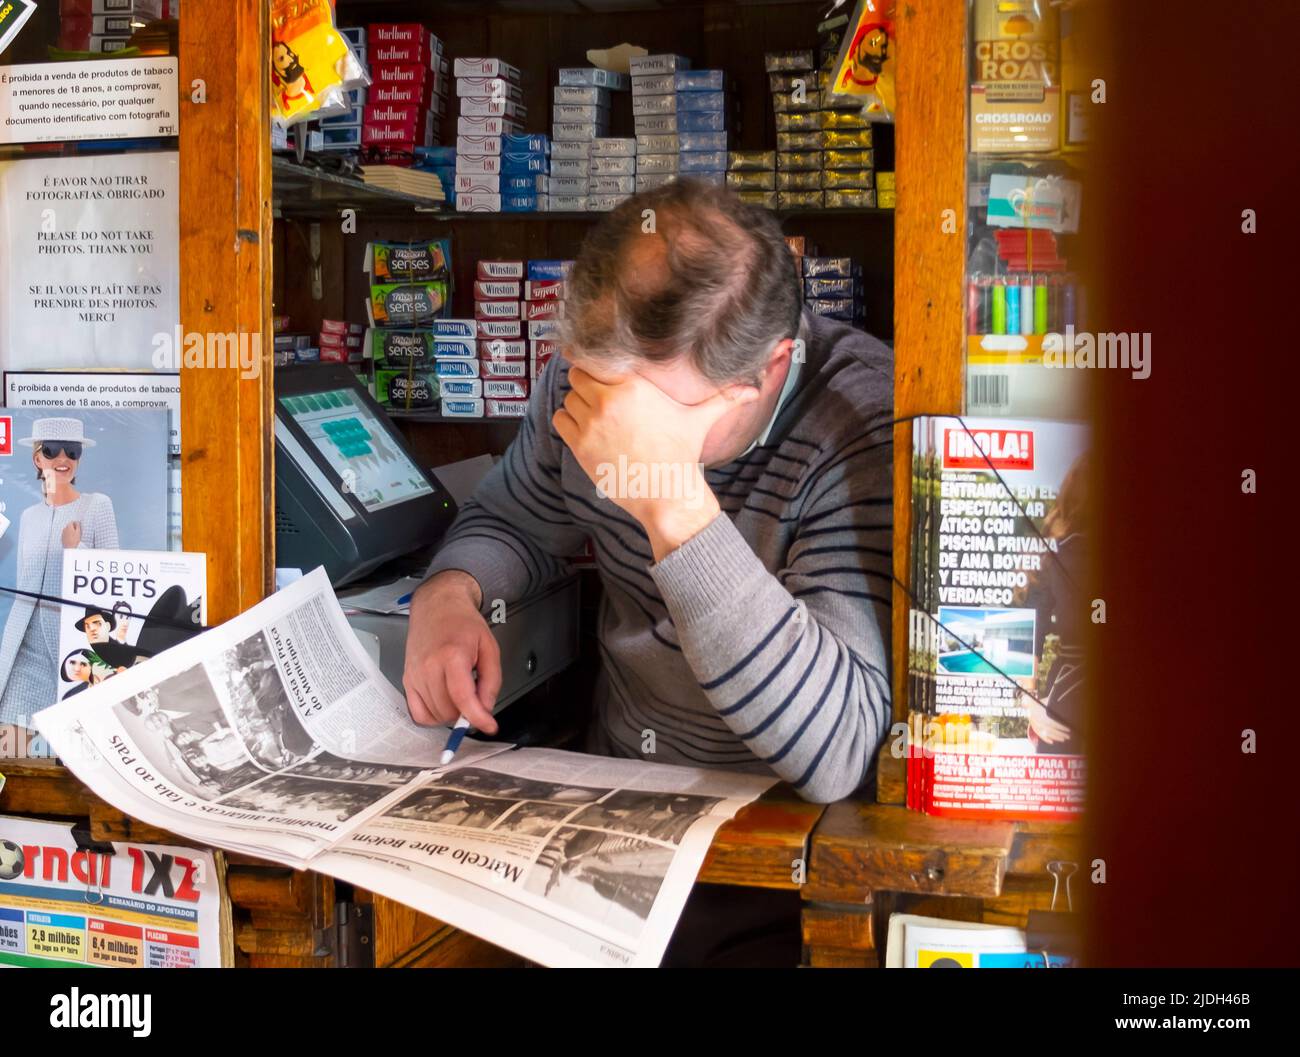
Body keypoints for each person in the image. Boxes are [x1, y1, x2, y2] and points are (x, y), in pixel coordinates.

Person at [405, 180, 893, 806]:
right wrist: (448, 594)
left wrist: (673, 502)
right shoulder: (588, 380)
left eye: (651, 410)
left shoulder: (861, 425)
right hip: (618, 784)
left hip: (776, 828)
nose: (608, 420)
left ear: (765, 372)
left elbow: (839, 749)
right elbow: (516, 522)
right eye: (596, 383)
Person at [0, 419, 119, 726]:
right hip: (27, 646)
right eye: (52, 451)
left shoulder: (97, 506)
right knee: (11, 745)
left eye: (72, 451)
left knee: (75, 746)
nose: (63, 459)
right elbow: (24, 584)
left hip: (74, 646)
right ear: (37, 458)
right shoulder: (29, 517)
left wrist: (74, 551)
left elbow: (114, 578)